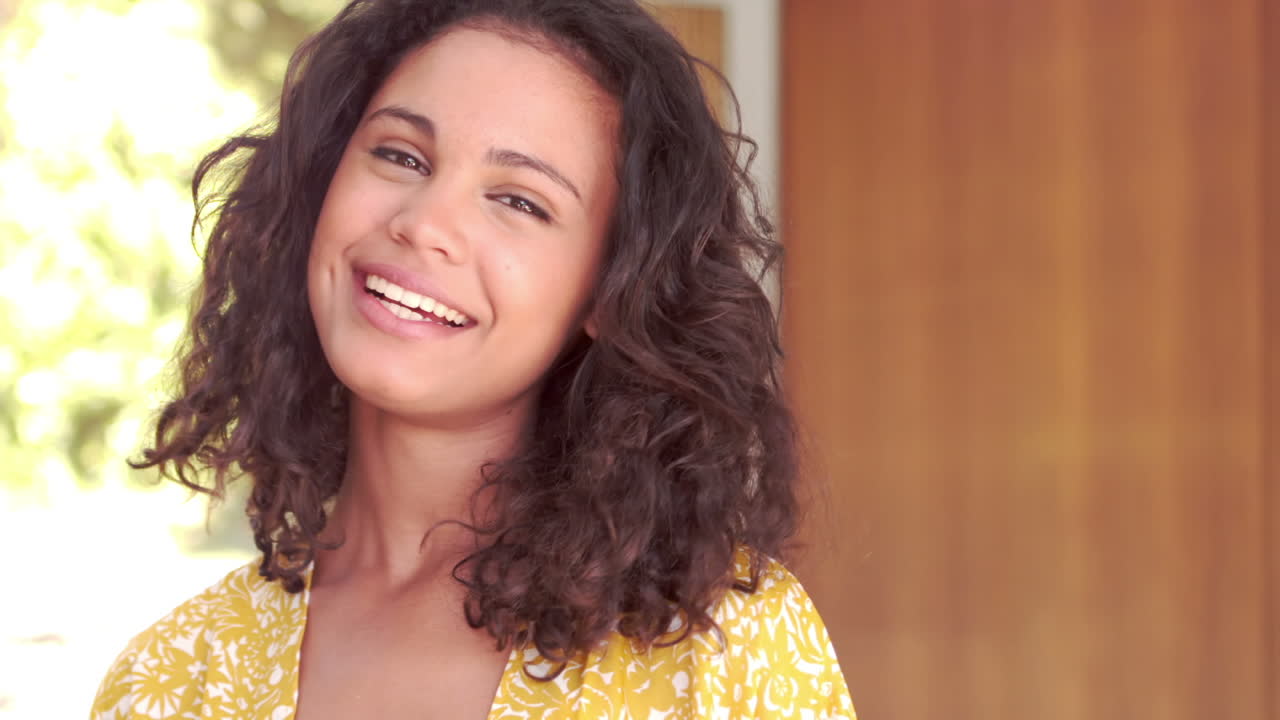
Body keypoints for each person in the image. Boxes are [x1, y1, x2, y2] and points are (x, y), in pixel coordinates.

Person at [90, 0, 855, 717]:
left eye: (520, 200)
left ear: (610, 291)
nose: (425, 224)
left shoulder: (721, 651)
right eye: (400, 155)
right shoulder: (170, 676)